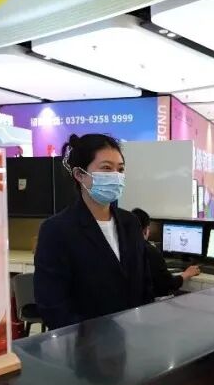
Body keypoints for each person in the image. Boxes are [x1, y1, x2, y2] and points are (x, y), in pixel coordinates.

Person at [34, 134, 154, 330]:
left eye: (120, 169)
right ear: (79, 174)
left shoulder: (131, 223)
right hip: (85, 341)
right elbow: (52, 304)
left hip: (133, 335)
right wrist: (89, 339)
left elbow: (145, 284)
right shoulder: (57, 229)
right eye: (106, 168)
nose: (116, 176)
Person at [130, 208, 200, 297]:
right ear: (146, 230)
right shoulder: (150, 251)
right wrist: (187, 274)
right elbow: (170, 284)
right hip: (151, 301)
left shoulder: (123, 246)